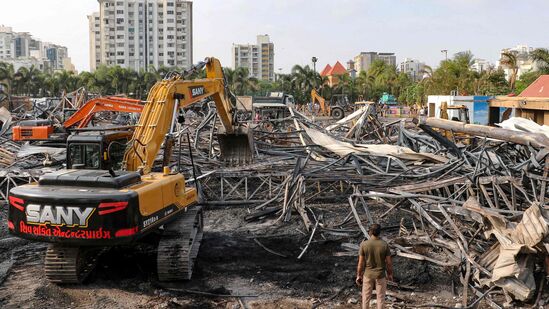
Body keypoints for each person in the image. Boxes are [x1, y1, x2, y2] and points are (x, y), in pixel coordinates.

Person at [356, 224, 393, 309]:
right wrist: (390, 274)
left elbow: (360, 263)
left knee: (365, 298)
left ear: (370, 232)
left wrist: (359, 275)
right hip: (380, 275)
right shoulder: (384, 245)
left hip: (368, 275)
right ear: (380, 232)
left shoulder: (364, 244)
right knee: (380, 299)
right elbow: (389, 263)